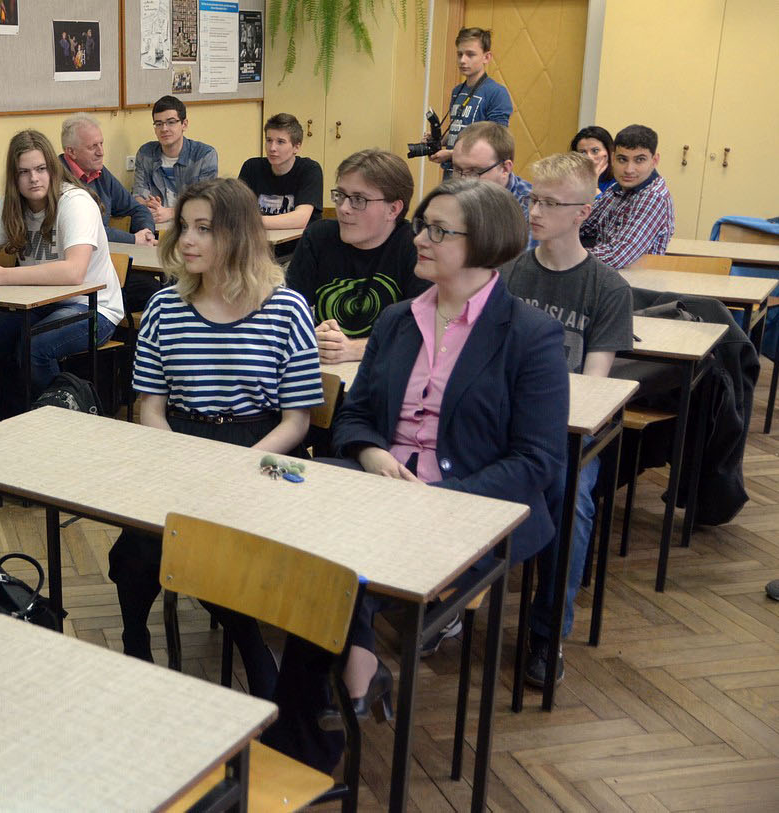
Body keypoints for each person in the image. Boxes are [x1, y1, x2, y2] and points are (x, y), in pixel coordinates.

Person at [263, 179, 568, 773]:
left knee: (327, 574)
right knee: (292, 531)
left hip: (466, 507)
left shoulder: (530, 335)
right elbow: (353, 416)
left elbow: (537, 462)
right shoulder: (398, 319)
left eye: (438, 231)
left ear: (484, 244)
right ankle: (346, 682)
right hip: (377, 488)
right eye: (423, 226)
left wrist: (434, 497)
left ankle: (303, 742)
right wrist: (373, 455)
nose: (420, 239)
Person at [110, 177, 322, 696]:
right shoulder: (165, 307)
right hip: (180, 442)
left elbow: (296, 422)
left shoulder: (286, 308)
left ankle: (251, 645)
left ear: (239, 235)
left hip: (267, 449)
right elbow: (150, 409)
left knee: (222, 548)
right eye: (184, 226)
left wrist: (236, 467)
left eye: (204, 229)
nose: (187, 240)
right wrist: (184, 461)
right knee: (137, 549)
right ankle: (135, 637)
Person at [501, 152, 633, 687]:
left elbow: (592, 388)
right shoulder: (508, 274)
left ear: (583, 212)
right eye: (533, 198)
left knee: (571, 501)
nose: (535, 211)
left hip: (563, 434)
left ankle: (547, 631)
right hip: (502, 427)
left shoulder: (607, 288)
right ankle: (448, 606)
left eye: (550, 203)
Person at [0, 130, 124, 410]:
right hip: (40, 306)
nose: (34, 178)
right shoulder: (11, 205)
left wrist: (1, 275)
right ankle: (16, 411)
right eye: (24, 172)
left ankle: (63, 415)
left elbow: (74, 272)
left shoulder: (75, 202)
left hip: (94, 308)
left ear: (53, 168)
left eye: (41, 169)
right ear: (14, 177)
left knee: (34, 346)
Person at [286, 149, 428, 363]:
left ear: (393, 209)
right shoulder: (318, 237)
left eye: (359, 199)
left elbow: (422, 334)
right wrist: (309, 336)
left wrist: (354, 349)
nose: (343, 208)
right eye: (341, 195)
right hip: (325, 370)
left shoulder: (417, 247)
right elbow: (287, 315)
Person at [60, 113, 160, 312]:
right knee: (154, 290)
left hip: (105, 265)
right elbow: (91, 231)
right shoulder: (57, 178)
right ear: (71, 152)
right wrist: (133, 239)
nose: (101, 152)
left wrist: (147, 232)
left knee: (159, 287)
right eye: (92, 147)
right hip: (78, 275)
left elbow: (136, 208)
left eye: (101, 144)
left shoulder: (100, 174)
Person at [580, 124, 675, 269]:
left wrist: (566, 256)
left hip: (631, 280)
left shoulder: (653, 197)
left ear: (654, 161)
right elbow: (583, 226)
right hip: (605, 274)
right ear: (613, 158)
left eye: (639, 160)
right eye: (622, 159)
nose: (629, 170)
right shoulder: (617, 189)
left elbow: (616, 255)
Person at [428, 27, 513, 176]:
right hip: (452, 171)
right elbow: (458, 129)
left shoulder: (497, 92)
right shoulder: (457, 91)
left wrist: (452, 153)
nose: (462, 60)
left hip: (476, 175)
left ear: (487, 57)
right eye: (459, 54)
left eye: (470, 54)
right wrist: (437, 140)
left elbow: (497, 141)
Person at [132, 95, 219, 225]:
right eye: (158, 124)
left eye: (171, 122)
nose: (164, 129)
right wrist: (148, 205)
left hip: (193, 227)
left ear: (184, 124)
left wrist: (171, 213)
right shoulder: (146, 154)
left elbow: (206, 203)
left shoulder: (204, 155)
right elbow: (137, 194)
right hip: (155, 227)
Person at [238, 112, 323, 230]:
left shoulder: (310, 170)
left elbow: (300, 219)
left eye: (280, 142)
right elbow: (236, 210)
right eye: (269, 140)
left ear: (296, 147)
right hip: (261, 239)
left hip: (298, 240)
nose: (272, 148)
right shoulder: (251, 167)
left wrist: (251, 221)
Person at [450, 121, 532, 227]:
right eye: (457, 169)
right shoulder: (449, 198)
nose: (462, 181)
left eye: (474, 172)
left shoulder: (532, 208)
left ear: (505, 169)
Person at [571, 125, 616, 195]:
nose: (589, 158)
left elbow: (605, 203)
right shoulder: (571, 180)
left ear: (609, 152)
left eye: (595, 151)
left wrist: (594, 185)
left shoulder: (620, 181)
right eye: (583, 152)